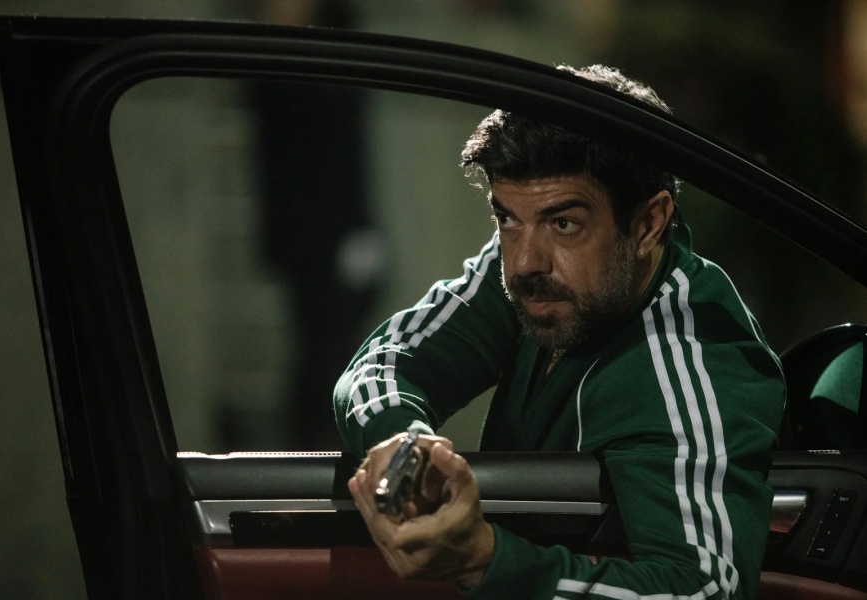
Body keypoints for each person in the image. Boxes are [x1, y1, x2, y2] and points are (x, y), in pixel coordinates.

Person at [334, 65, 785, 600]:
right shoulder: (539, 276)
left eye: (564, 223)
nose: (524, 261)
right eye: (507, 219)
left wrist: (485, 560)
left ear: (647, 224)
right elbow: (382, 363)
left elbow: (704, 591)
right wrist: (404, 443)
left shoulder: (691, 364)